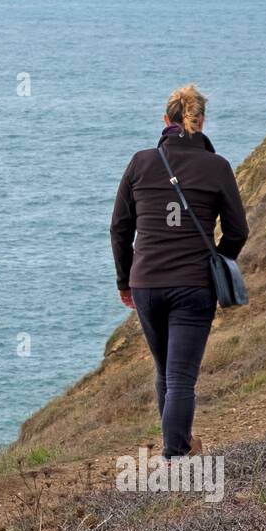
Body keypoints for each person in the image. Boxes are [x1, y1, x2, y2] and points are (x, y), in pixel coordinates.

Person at [109, 85, 249, 460]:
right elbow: (238, 230)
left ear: (165, 120)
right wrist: (216, 262)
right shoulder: (216, 167)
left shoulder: (141, 162)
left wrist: (125, 280)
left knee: (165, 372)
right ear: (201, 121)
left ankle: (177, 447)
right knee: (181, 377)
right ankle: (175, 455)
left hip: (147, 283)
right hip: (193, 286)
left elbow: (120, 228)